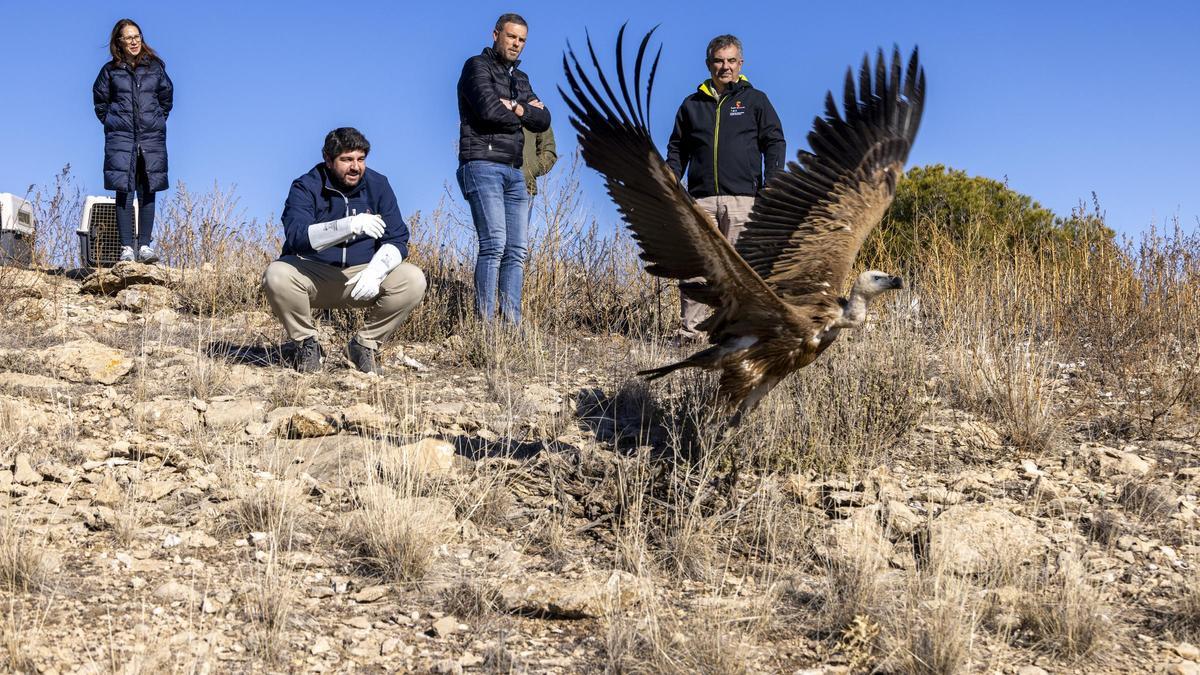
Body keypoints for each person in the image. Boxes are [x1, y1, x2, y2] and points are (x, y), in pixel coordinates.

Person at [263, 128, 427, 375]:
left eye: (360, 159)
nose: (355, 167)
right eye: (346, 159)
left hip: (363, 276)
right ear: (328, 160)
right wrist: (348, 226)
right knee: (276, 274)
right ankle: (307, 345)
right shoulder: (306, 186)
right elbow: (297, 236)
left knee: (413, 279)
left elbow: (399, 238)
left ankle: (364, 346)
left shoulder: (378, 185)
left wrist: (376, 270)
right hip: (314, 276)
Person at [665, 34, 786, 343]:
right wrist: (670, 179)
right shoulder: (692, 105)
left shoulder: (755, 100)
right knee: (695, 266)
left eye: (731, 61)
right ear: (708, 64)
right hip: (700, 200)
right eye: (719, 61)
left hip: (742, 200)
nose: (725, 67)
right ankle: (690, 332)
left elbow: (774, 142)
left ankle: (737, 333)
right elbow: (678, 148)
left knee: (741, 271)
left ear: (740, 64)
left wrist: (771, 184)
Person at [456, 12, 551, 325]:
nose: (517, 44)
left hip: (515, 171)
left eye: (522, 40)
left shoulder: (521, 80)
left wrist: (515, 106)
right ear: (495, 34)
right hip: (482, 163)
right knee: (494, 244)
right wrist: (522, 111)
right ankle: (486, 326)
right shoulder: (476, 66)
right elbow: (486, 110)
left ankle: (512, 324)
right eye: (511, 37)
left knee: (516, 252)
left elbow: (544, 119)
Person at [92, 18, 173, 264]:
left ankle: (146, 246)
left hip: (150, 137)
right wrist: (112, 122)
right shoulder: (110, 71)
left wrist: (157, 119)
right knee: (124, 191)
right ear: (119, 41)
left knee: (148, 190)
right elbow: (100, 102)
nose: (134, 41)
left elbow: (166, 98)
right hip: (121, 138)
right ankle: (127, 247)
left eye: (137, 36)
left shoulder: (155, 67)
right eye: (128, 37)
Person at [521, 127, 558, 211]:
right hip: (492, 183)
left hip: (525, 187)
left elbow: (549, 150)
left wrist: (531, 168)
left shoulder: (536, 115)